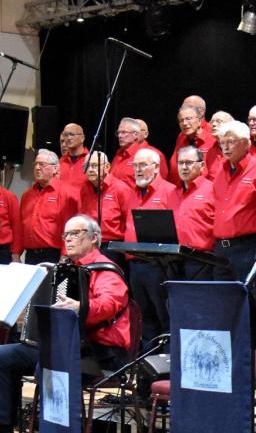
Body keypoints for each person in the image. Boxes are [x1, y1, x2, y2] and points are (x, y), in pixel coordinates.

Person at [0, 214, 132, 433]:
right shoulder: (63, 269)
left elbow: (110, 303)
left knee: (50, 362)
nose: (68, 239)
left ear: (94, 238)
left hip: (100, 351)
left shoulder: (105, 270)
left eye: (75, 233)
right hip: (65, 346)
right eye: (66, 234)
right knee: (5, 355)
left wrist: (81, 307)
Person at [123, 148, 180, 341]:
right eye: (135, 166)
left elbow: (177, 226)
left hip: (157, 264)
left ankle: (167, 356)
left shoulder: (170, 191)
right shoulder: (131, 193)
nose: (138, 170)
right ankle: (149, 357)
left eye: (143, 165)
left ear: (156, 167)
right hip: (134, 263)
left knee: (164, 316)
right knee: (144, 318)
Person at [211, 120, 256, 286]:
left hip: (247, 246)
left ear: (246, 143)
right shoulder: (220, 170)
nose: (225, 147)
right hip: (221, 249)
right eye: (222, 143)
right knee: (222, 297)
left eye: (231, 142)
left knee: (249, 296)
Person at [61, 151, 126, 259]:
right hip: (89, 245)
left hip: (113, 247)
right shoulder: (84, 189)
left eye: (95, 165)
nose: (90, 169)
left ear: (107, 167)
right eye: (87, 166)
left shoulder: (120, 188)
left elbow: (129, 221)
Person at [174, 145, 217, 279]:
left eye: (189, 163)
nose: (184, 167)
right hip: (174, 260)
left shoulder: (212, 190)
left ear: (202, 165)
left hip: (202, 260)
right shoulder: (173, 192)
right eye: (180, 163)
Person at [20, 149, 65, 265]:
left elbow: (68, 228)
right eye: (35, 164)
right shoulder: (27, 195)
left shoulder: (65, 193)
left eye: (42, 164)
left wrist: (64, 256)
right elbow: (21, 226)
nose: (37, 168)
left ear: (55, 168)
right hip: (30, 255)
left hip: (54, 255)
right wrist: (16, 253)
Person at [108, 117, 169, 186]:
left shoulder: (154, 154)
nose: (119, 136)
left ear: (136, 134)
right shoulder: (119, 153)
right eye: (118, 132)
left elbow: (160, 185)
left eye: (124, 132)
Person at [168, 100, 217, 184]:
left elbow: (215, 171)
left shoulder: (212, 136)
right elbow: (174, 166)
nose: (184, 123)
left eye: (188, 119)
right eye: (181, 120)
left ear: (199, 121)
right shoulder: (181, 137)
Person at [56, 123, 90, 193]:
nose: (68, 138)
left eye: (72, 134)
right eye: (66, 135)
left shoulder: (91, 161)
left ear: (82, 138)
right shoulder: (60, 162)